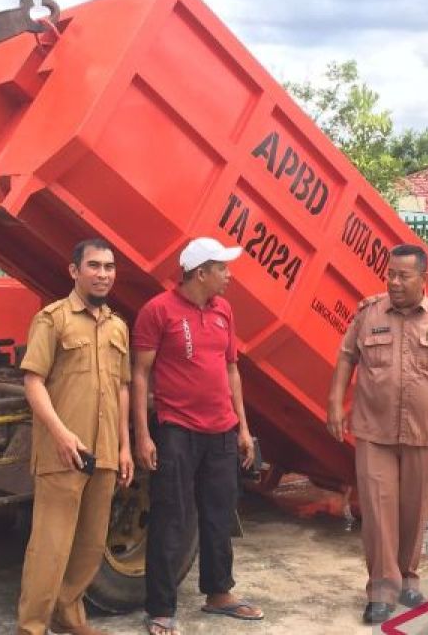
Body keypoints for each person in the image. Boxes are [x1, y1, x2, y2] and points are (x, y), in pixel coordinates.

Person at [326, 243, 428, 625]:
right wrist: (333, 402)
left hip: (423, 433)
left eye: (402, 275)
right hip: (373, 431)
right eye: (390, 274)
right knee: (377, 511)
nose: (393, 282)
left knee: (414, 510)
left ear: (423, 279)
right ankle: (381, 588)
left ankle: (408, 579)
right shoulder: (369, 313)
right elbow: (347, 356)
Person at [131, 237, 263, 635]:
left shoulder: (223, 309)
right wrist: (143, 435)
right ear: (200, 272)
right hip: (177, 431)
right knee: (172, 517)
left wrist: (242, 426)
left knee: (219, 514)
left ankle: (219, 593)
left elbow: (231, 370)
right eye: (222, 267)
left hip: (222, 431)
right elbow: (139, 375)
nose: (229, 274)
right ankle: (160, 607)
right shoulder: (158, 311)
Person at [16, 238, 133, 635]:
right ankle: (31, 627)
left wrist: (125, 446)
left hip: (103, 454)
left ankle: (70, 616)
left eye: (109, 267)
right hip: (63, 454)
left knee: (89, 544)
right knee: (50, 547)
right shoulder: (53, 319)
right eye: (95, 266)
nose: (103, 274)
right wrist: (62, 435)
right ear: (74, 271)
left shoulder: (118, 326)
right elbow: (33, 382)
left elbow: (122, 388)